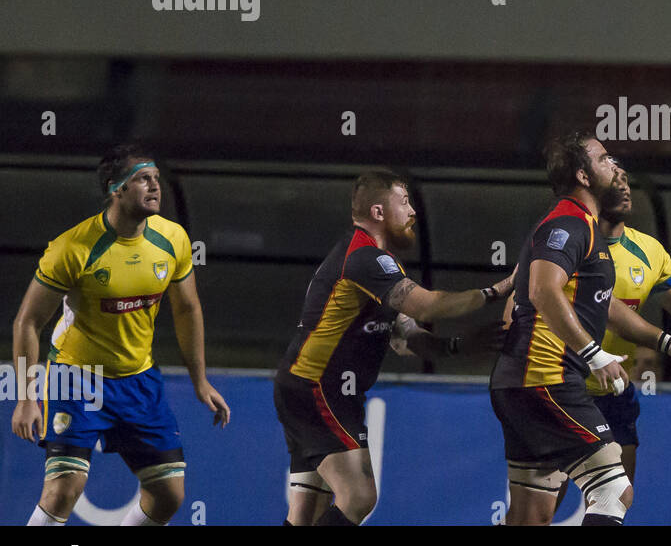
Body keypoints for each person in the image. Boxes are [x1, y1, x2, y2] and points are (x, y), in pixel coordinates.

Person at [490, 132, 671, 526]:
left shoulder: (586, 227)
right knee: (614, 490)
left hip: (525, 384)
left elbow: (603, 305)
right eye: (604, 160)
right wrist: (593, 354)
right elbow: (542, 289)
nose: (615, 167)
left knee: (531, 515)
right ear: (583, 175)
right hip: (547, 380)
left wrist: (668, 343)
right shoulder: (568, 222)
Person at [274, 168, 512, 526]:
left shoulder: (374, 264)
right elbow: (427, 306)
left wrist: (457, 345)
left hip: (314, 390)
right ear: (378, 212)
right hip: (316, 389)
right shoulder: (365, 259)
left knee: (307, 514)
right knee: (359, 495)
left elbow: (407, 336)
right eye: (404, 201)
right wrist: (498, 290)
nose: (413, 211)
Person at [10, 144, 230, 526]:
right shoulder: (72, 249)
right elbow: (27, 322)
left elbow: (187, 308)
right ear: (116, 188)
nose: (155, 186)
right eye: (143, 179)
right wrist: (26, 398)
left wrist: (200, 380)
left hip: (138, 380)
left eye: (157, 179)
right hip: (77, 377)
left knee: (168, 495)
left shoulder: (172, 239)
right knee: (64, 489)